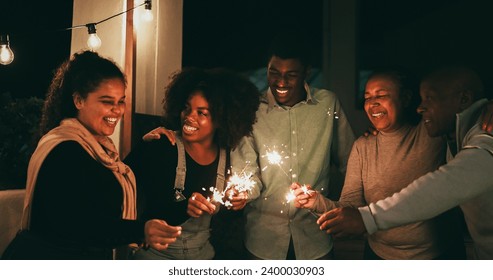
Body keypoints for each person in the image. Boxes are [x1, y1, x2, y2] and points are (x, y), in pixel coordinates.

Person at [1, 51, 179, 260]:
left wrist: (145, 145)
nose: (117, 110)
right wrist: (140, 230)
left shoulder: (95, 148)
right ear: (78, 100)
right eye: (106, 101)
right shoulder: (65, 151)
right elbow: (74, 224)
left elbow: (105, 184)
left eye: (121, 101)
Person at [316, 66, 493, 259]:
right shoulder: (363, 146)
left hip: (437, 256)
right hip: (380, 255)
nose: (420, 107)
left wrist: (369, 218)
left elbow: (443, 185)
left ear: (405, 99)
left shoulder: (440, 135)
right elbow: (350, 206)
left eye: (381, 95)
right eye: (367, 97)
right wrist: (318, 203)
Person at [229, 28, 355, 260]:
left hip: (315, 239)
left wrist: (349, 210)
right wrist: (242, 193)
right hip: (263, 240)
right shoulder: (251, 109)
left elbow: (351, 162)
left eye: (292, 74)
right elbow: (247, 172)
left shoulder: (327, 104)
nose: (281, 81)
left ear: (307, 72)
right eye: (274, 72)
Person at [125, 67, 260, 260]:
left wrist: (237, 202)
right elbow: (122, 187)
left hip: (202, 257)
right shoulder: (163, 145)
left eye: (201, 113)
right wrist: (184, 208)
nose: (189, 117)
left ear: (221, 119)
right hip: (154, 256)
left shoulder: (228, 157)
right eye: (187, 108)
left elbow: (228, 219)